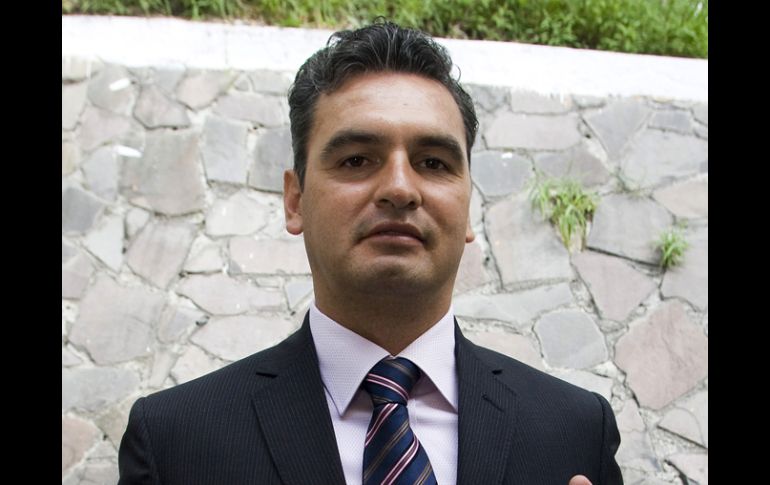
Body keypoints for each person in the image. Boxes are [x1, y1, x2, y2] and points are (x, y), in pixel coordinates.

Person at [118, 20, 622, 485]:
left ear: (469, 207)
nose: (400, 188)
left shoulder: (575, 432)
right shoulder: (175, 442)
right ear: (295, 200)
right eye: (357, 160)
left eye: (433, 162)